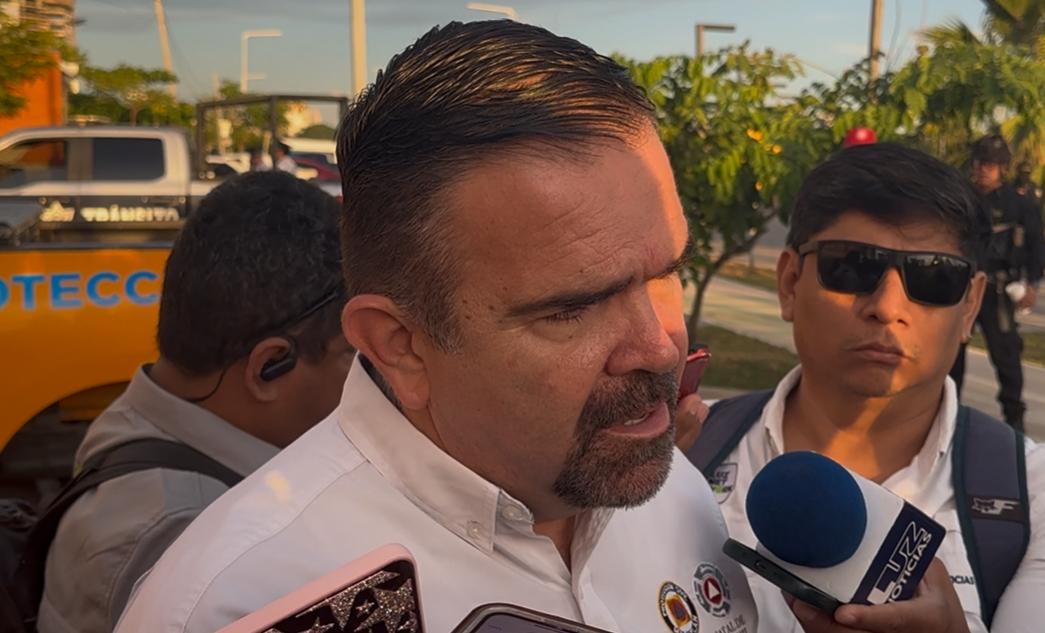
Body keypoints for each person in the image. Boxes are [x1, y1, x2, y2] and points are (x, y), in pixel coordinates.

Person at [113, 21, 768, 633]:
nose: (660, 347)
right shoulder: (241, 602)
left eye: (665, 271)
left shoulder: (669, 486)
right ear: (399, 345)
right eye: (572, 308)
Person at [707, 144, 1045, 632]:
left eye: (934, 277)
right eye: (852, 266)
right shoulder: (680, 457)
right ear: (790, 283)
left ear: (970, 307)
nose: (887, 307)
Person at [38, 171, 355, 633]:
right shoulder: (184, 538)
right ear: (269, 366)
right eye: (349, 354)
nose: (364, 377)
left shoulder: (144, 416)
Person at [949, 135, 1045, 431]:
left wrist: (1032, 284)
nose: (983, 169)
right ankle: (947, 416)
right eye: (980, 163)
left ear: (1003, 168)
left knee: (1006, 356)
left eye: (990, 165)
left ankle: (1015, 420)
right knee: (950, 353)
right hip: (962, 287)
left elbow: (1037, 246)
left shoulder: (1019, 204)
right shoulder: (961, 198)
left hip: (998, 289)